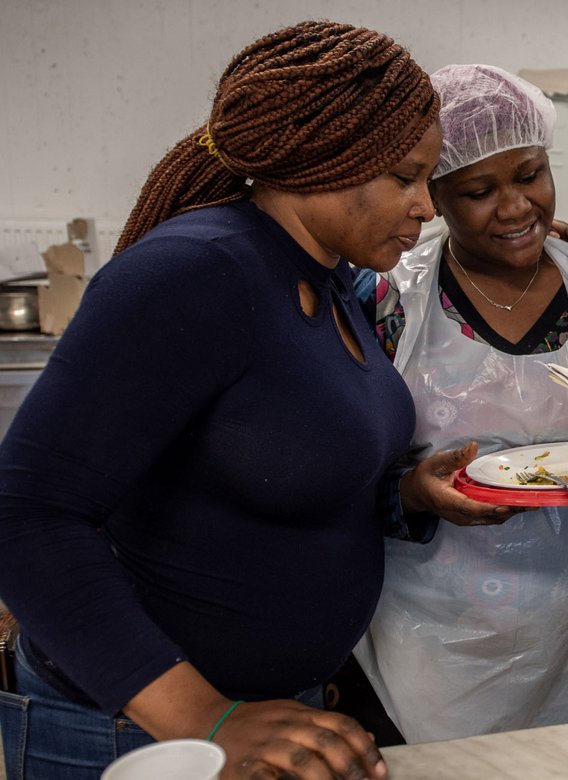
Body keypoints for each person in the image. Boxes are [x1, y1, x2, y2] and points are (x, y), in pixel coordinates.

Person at [0, 21, 505, 780]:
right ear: (321, 157)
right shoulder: (195, 273)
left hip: (266, 717)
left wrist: (407, 494)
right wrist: (206, 719)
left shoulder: (331, 280)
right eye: (406, 177)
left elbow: (273, 468)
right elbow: (26, 513)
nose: (426, 208)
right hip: (139, 733)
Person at [352, 64, 568, 743]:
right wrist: (414, 494)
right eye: (479, 191)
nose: (516, 207)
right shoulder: (391, 300)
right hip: (427, 639)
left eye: (532, 174)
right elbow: (341, 479)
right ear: (434, 196)